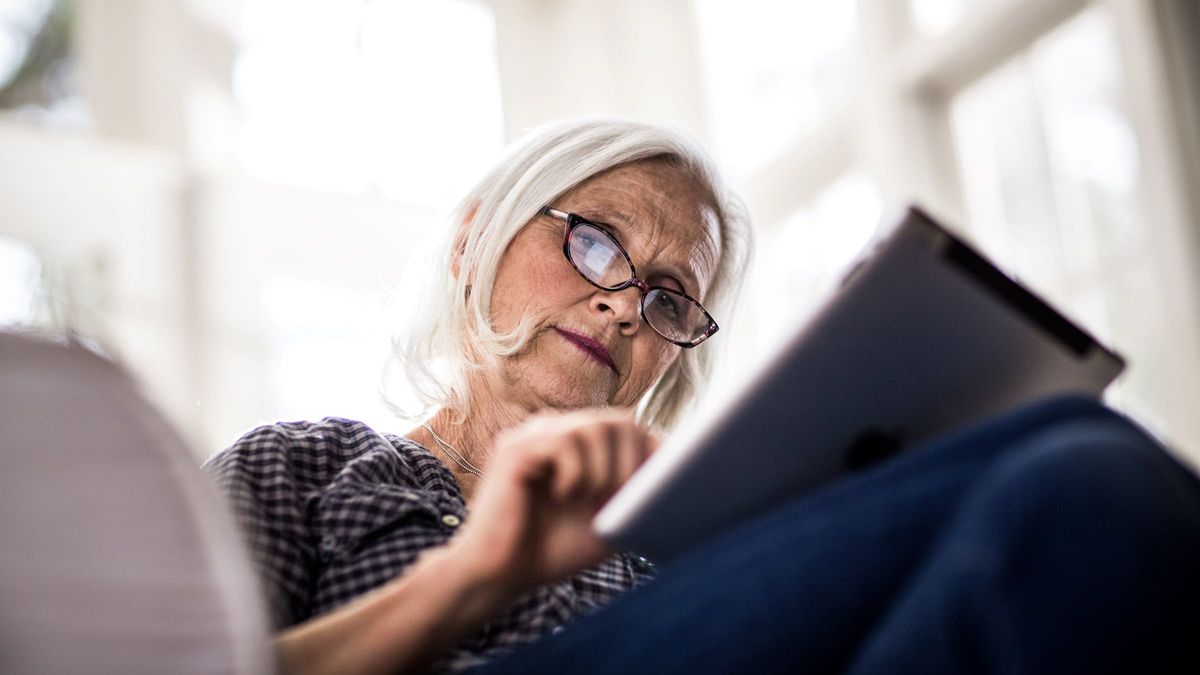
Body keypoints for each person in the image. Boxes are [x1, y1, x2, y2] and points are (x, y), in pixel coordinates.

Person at [204, 118, 1200, 675]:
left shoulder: (674, 541)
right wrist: (473, 573)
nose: (625, 303)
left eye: (670, 295)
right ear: (475, 241)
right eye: (595, 240)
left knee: (1073, 515)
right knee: (1084, 464)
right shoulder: (303, 466)